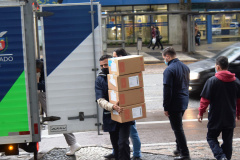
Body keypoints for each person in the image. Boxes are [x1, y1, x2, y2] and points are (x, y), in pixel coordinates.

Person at [197, 56, 240, 160]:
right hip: (230, 115)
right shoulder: (236, 82)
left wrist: (200, 113)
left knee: (211, 137)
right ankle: (226, 158)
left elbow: (205, 100)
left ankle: (221, 156)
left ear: (218, 67)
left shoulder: (212, 81)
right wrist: (238, 113)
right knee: (228, 141)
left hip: (216, 116)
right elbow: (239, 100)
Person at [36, 59, 81, 156]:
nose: (36, 72)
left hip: (47, 95)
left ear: (38, 67)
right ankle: (73, 143)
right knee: (58, 119)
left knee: (57, 119)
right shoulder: (47, 67)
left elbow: (45, 84)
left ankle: (73, 143)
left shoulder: (46, 70)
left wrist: (34, 85)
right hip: (53, 95)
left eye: (36, 69)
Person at [95, 55, 133, 160]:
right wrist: (113, 107)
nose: (103, 67)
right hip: (110, 116)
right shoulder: (100, 79)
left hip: (124, 114)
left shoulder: (122, 75)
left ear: (112, 64)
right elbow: (100, 100)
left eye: (106, 64)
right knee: (116, 145)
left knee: (123, 143)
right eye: (101, 65)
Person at [111, 48, 142, 160]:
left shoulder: (128, 68)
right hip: (119, 105)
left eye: (114, 56)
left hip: (129, 106)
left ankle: (137, 154)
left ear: (120, 56)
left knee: (132, 132)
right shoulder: (116, 69)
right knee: (118, 133)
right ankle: (115, 151)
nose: (113, 59)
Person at [162, 47, 191, 160]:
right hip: (184, 101)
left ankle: (185, 154)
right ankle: (178, 148)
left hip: (174, 103)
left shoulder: (169, 70)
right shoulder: (185, 67)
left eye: (164, 58)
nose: (164, 60)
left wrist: (166, 107)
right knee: (178, 126)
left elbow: (167, 90)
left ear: (168, 56)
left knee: (178, 129)